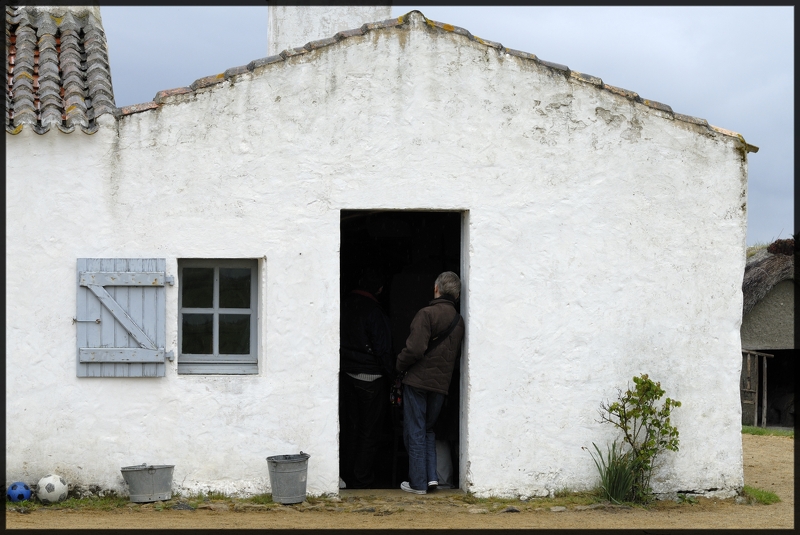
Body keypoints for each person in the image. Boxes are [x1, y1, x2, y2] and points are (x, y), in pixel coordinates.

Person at [396, 271, 465, 494]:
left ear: (436, 289)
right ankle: (431, 479)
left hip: (417, 381)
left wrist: (398, 364)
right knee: (428, 430)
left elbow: (415, 349)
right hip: (440, 384)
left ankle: (417, 483)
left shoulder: (426, 314)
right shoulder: (459, 321)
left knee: (415, 430)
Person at [339, 268, 393, 489]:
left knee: (350, 428)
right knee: (369, 432)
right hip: (371, 377)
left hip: (348, 373)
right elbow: (383, 348)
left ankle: (347, 475)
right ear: (379, 289)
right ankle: (363, 478)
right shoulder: (374, 312)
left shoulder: (344, 305)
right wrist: (392, 375)